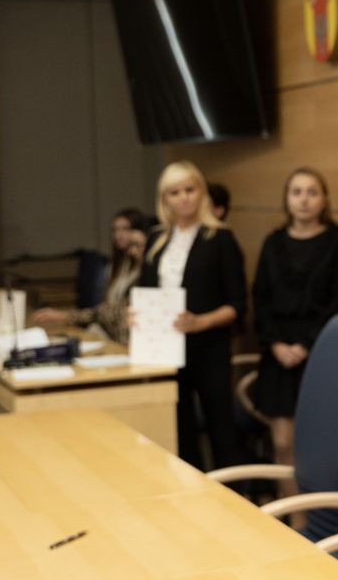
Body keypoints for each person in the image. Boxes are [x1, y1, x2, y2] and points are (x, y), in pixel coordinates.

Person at [251, 167, 338, 500]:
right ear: (286, 199)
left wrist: (307, 345)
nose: (304, 200)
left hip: (321, 349)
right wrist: (275, 344)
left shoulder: (337, 241)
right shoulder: (273, 242)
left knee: (317, 442)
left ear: (324, 199)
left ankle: (321, 516)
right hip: (277, 351)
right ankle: (293, 517)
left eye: (312, 192)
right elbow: (260, 298)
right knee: (283, 442)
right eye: (296, 192)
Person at [138, 161, 245, 470]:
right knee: (179, 431)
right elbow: (146, 291)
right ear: (165, 199)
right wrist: (137, 314)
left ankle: (232, 495)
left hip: (209, 347)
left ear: (201, 192)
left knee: (221, 430)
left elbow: (238, 304)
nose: (184, 198)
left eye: (190, 189)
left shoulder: (220, 238)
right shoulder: (156, 239)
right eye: (175, 192)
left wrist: (201, 322)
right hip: (166, 349)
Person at [32, 208, 149, 344]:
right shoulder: (114, 266)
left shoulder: (145, 272)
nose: (118, 235)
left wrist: (67, 315)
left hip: (129, 339)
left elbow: (111, 312)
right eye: (115, 230)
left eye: (125, 229)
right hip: (109, 334)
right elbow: (105, 309)